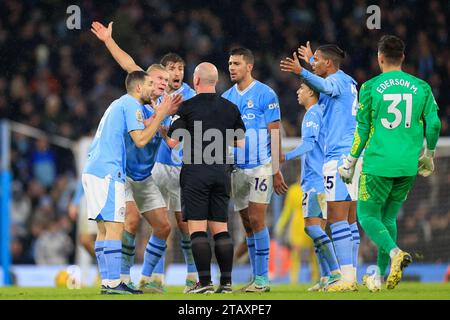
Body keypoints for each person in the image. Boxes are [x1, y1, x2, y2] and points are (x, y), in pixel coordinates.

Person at [91, 21, 197, 292]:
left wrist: (169, 135)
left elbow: (176, 138)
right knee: (128, 222)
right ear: (147, 82)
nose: (162, 83)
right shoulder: (140, 99)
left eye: (166, 79)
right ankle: (121, 277)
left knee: (163, 227)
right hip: (123, 172)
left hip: (145, 175)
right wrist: (108, 41)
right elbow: (128, 64)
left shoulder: (177, 102)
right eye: (157, 79)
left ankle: (148, 277)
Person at [338, 35, 441, 292]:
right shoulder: (422, 87)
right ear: (403, 57)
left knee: (367, 215)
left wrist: (350, 161)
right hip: (407, 166)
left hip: (378, 164)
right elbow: (435, 123)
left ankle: (395, 253)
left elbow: (362, 128)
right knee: (389, 217)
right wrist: (428, 154)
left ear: (380, 57)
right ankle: (379, 277)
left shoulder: (371, 87)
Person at [82, 70, 172, 294]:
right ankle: (114, 283)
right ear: (139, 88)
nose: (154, 87)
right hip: (108, 171)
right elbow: (140, 140)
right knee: (115, 227)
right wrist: (160, 115)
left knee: (104, 229)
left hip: (94, 168)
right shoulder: (131, 104)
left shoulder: (118, 104)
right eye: (150, 83)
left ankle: (107, 282)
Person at [281, 43, 360, 291]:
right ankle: (347, 275)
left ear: (328, 63)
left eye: (317, 61)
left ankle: (340, 277)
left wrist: (301, 71)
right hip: (353, 155)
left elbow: (324, 86)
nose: (313, 64)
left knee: (335, 220)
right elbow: (323, 81)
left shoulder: (333, 83)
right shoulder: (348, 81)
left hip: (337, 158)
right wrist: (309, 61)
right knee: (348, 220)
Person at [167, 62, 246, 293]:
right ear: (215, 82)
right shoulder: (230, 108)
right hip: (221, 172)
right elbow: (240, 142)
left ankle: (204, 282)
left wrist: (166, 128)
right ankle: (227, 283)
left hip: (196, 172)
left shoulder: (187, 107)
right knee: (221, 229)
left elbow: (173, 142)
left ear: (197, 81)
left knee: (198, 230)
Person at [222, 47, 288, 293]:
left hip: (261, 166)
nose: (231, 67)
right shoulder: (227, 97)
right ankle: (255, 277)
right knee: (247, 224)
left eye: (236, 63)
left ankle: (263, 280)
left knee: (258, 219)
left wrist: (276, 168)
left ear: (249, 66)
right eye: (229, 63)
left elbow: (275, 130)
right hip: (237, 168)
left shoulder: (265, 93)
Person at [279, 82, 341, 291]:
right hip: (318, 179)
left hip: (316, 180)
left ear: (311, 93)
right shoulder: (319, 113)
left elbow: (309, 144)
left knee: (312, 228)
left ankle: (334, 272)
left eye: (302, 89)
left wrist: (284, 156)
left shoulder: (312, 114)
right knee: (318, 230)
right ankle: (325, 277)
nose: (298, 91)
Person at [274, 182, 319, 285]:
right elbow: (288, 209)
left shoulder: (314, 187)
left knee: (313, 252)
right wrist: (280, 224)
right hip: (297, 224)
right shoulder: (293, 190)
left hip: (311, 220)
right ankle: (293, 280)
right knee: (296, 251)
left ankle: (315, 278)